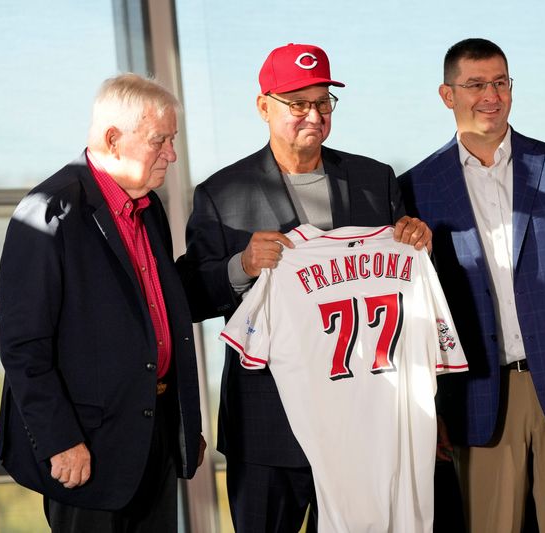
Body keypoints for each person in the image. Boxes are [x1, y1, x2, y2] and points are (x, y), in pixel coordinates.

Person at [177, 42, 431, 532]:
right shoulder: (223, 193)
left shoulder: (373, 180)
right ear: (263, 106)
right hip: (267, 425)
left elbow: (401, 276)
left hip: (360, 416)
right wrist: (241, 265)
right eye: (298, 103)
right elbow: (187, 294)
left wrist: (415, 240)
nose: (313, 115)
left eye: (323, 102)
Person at [399, 38, 545, 533]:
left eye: (500, 83)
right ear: (447, 94)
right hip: (475, 393)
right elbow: (413, 312)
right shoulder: (416, 187)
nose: (491, 95)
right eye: (476, 84)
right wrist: (428, 407)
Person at [0, 73, 204, 532]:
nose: (171, 154)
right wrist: (60, 442)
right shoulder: (50, 211)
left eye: (172, 140)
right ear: (113, 139)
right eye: (160, 140)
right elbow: (22, 345)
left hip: (153, 437)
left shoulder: (147, 208)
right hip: (85, 449)